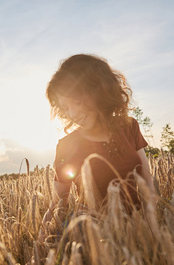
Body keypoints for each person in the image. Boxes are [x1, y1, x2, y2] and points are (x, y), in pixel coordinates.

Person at [40, 54, 155, 239]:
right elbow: (57, 206)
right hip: (92, 237)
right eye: (65, 107)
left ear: (98, 91)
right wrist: (37, 256)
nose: (73, 113)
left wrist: (152, 230)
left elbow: (148, 184)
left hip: (135, 230)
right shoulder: (66, 145)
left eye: (77, 101)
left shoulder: (129, 126)